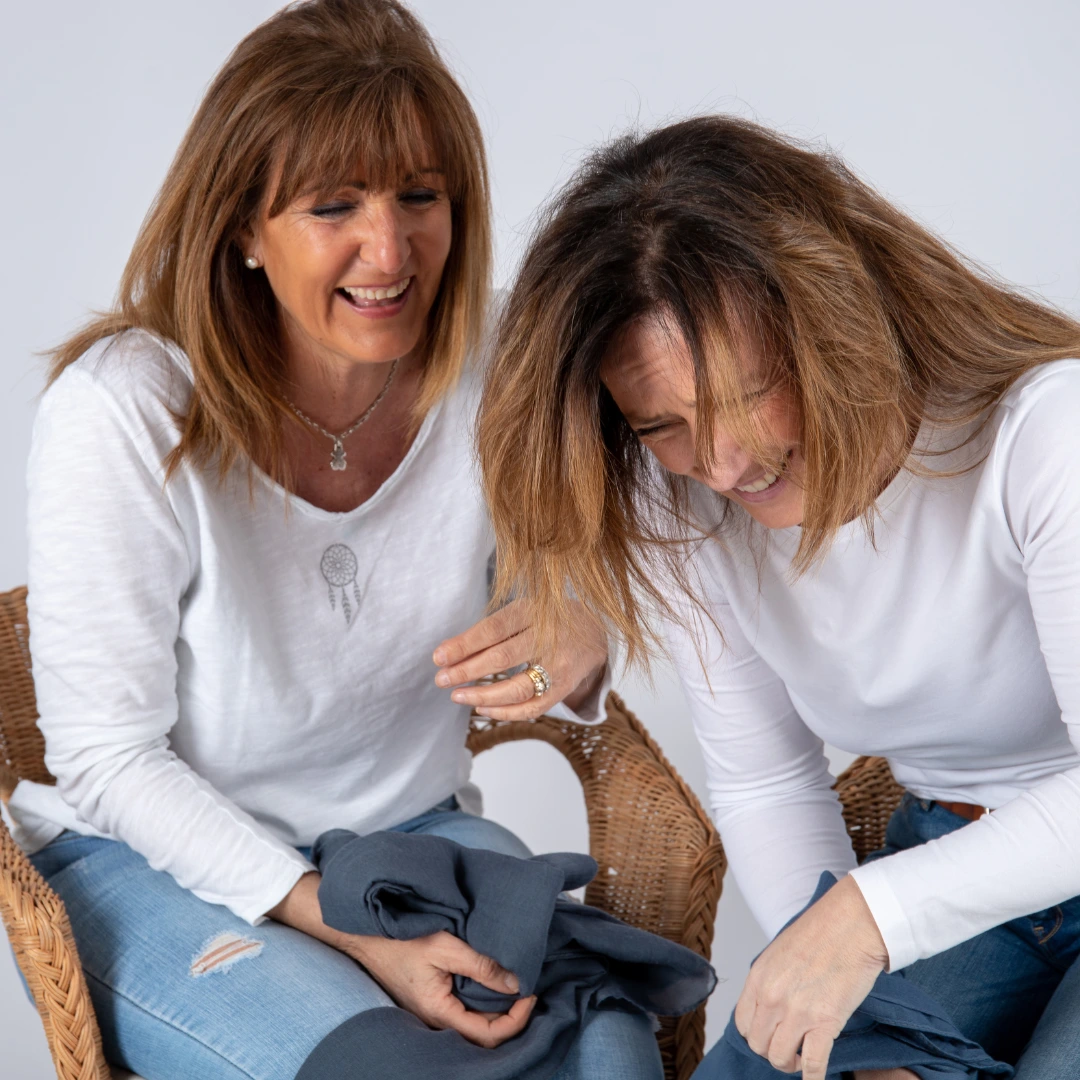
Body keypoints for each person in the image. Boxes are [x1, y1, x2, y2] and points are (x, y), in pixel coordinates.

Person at [6, 3, 663, 1078]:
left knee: (609, 1045)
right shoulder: (123, 408)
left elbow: (593, 545)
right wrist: (342, 928)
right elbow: (108, 758)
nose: (391, 248)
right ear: (241, 229)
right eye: (332, 206)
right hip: (154, 865)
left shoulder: (495, 360)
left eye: (420, 194)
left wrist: (583, 621)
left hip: (409, 837)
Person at [477, 114, 1080, 1080]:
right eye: (664, 423)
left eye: (746, 394)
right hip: (954, 862)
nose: (719, 463)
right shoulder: (675, 494)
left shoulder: (1049, 436)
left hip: (940, 884)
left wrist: (867, 921)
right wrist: (868, 1021)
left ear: (838, 318)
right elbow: (767, 781)